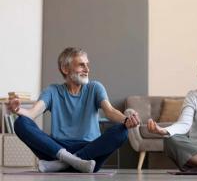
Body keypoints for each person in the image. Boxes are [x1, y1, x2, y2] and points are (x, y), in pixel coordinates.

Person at [6, 47, 140, 173]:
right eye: (81, 65)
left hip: (89, 150)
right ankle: (73, 161)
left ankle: (61, 164)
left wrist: (126, 120)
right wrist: (18, 109)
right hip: (57, 149)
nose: (87, 69)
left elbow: (109, 111)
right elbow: (31, 113)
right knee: (20, 123)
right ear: (65, 69)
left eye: (87, 65)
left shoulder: (95, 88)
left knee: (122, 131)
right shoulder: (52, 91)